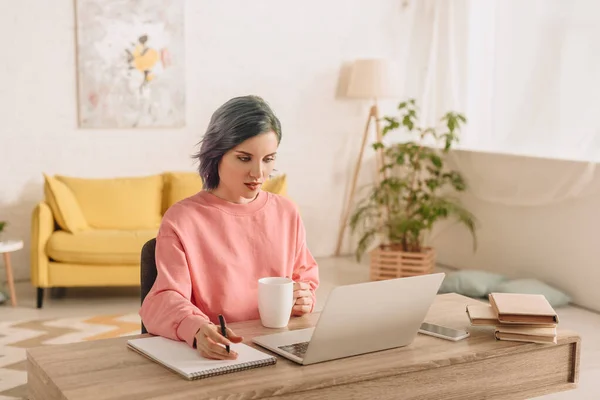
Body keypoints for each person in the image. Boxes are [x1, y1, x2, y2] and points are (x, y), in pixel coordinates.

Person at [139, 95, 319, 361]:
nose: (258, 173)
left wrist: (305, 297)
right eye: (244, 158)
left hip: (279, 348)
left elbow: (305, 279)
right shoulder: (182, 219)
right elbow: (162, 299)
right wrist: (196, 328)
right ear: (217, 154)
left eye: (268, 159)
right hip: (220, 354)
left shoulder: (286, 212)